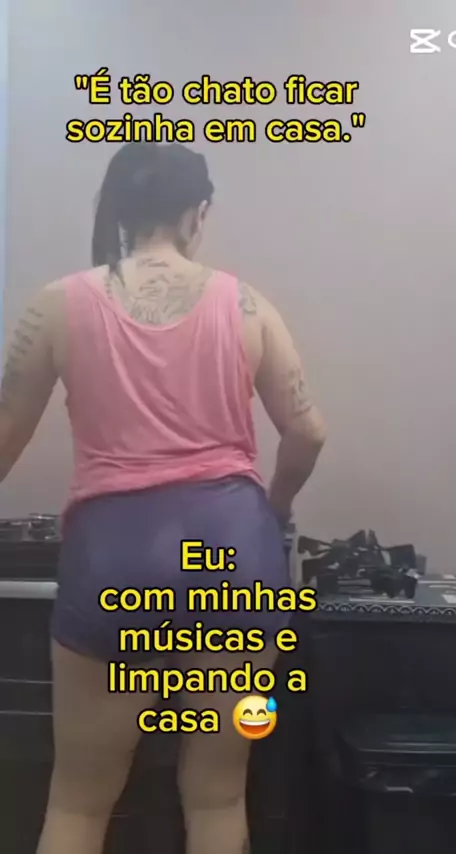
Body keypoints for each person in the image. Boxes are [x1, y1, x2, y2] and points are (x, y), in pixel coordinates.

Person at [0, 141, 326, 854]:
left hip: (114, 558)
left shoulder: (56, 304)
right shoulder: (247, 304)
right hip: (233, 556)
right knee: (218, 796)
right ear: (197, 212)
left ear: (118, 209)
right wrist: (273, 507)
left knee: (79, 802)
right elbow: (308, 432)